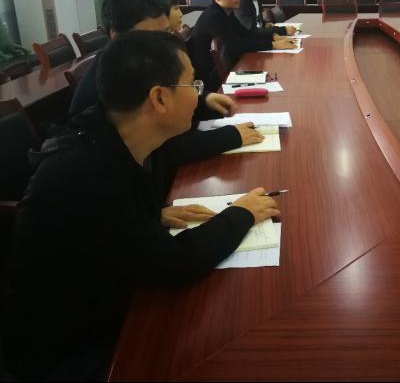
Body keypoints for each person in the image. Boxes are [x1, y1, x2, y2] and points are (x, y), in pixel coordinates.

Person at [1, 31, 280, 380]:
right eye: (191, 85)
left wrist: (148, 217)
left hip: (110, 298)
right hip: (70, 351)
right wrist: (242, 213)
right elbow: (175, 263)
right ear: (159, 98)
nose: (198, 95)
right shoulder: (82, 173)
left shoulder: (120, 132)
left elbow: (108, 228)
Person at [68, 0, 264, 207]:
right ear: (116, 36)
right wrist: (230, 136)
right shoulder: (106, 91)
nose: (165, 46)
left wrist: (203, 99)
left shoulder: (139, 69)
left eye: (166, 34)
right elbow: (164, 148)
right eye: (151, 37)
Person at [189, 0, 296, 91]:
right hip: (208, 84)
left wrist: (273, 37)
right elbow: (237, 45)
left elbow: (246, 33)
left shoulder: (226, 11)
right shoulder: (213, 17)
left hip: (223, 72)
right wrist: (273, 45)